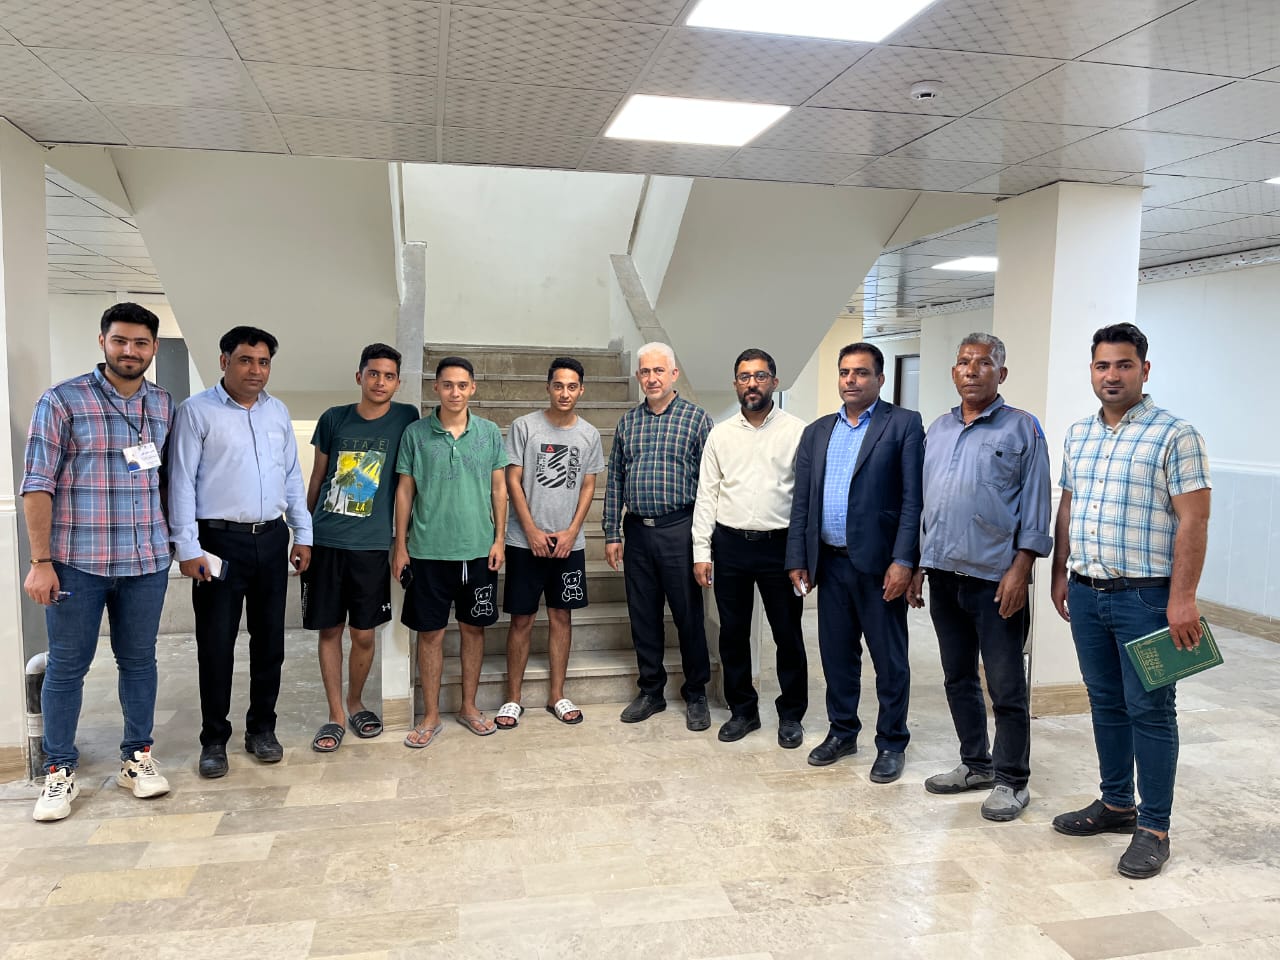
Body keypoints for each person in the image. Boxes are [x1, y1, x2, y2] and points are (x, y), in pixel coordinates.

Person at [1049, 322, 1210, 879]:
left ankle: (1154, 827)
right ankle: (1117, 804)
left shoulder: (1176, 435)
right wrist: (1060, 571)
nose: (1111, 375)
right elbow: (1069, 504)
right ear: (1091, 371)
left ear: (1145, 369)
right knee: (1105, 702)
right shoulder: (1079, 434)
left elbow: (1194, 520)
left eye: (1123, 365)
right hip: (1087, 593)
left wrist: (1182, 598)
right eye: (1102, 365)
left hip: (1148, 598)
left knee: (1151, 709)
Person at [22, 303, 175, 821]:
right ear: (103, 341)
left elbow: (164, 478)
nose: (130, 351)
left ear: (153, 348)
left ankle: (137, 758)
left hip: (145, 561)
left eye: (140, 343)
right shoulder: (62, 401)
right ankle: (58, 770)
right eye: (120, 341)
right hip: (77, 564)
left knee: (140, 661)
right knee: (68, 666)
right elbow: (37, 485)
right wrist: (40, 561)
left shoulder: (162, 403)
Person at [909, 333, 1051, 821]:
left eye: (984, 363)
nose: (972, 370)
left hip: (996, 581)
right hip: (944, 576)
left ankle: (1012, 779)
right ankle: (975, 764)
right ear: (954, 371)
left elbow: (1036, 507)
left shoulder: (1022, 429)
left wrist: (1020, 570)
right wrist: (919, 565)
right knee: (957, 677)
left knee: (1006, 686)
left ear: (1001, 373)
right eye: (964, 362)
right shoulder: (938, 429)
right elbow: (927, 504)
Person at [168, 326, 313, 779]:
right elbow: (180, 482)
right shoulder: (196, 412)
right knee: (216, 645)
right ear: (224, 361)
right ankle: (214, 739)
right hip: (218, 543)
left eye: (263, 362)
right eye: (246, 360)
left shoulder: (277, 412)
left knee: (270, 643)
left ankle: (262, 730)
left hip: (270, 538)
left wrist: (302, 533)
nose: (256, 370)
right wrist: (187, 547)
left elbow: (291, 477)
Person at [786, 342, 923, 782]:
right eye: (845, 372)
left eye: (861, 373)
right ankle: (842, 732)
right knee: (836, 656)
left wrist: (904, 560)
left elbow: (913, 501)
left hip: (881, 566)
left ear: (880, 379)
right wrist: (798, 558)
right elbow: (802, 502)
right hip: (830, 564)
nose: (851, 380)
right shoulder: (817, 431)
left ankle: (892, 742)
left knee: (889, 660)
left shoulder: (902, 425)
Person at [303, 344, 418, 752]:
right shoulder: (333, 418)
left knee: (364, 633)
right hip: (326, 540)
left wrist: (401, 542)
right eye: (373, 374)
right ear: (359, 377)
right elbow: (318, 478)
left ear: (397, 382)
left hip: (371, 547)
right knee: (330, 629)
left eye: (388, 376)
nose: (380, 382)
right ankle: (336, 713)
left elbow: (406, 482)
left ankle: (355, 702)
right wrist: (302, 533)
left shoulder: (406, 418)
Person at [692, 349, 808, 748]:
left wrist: (802, 555)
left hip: (781, 548)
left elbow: (805, 499)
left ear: (774, 381)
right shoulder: (720, 435)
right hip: (731, 547)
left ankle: (791, 715)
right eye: (744, 377)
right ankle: (743, 710)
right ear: (735, 384)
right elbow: (706, 496)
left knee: (787, 635)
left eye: (760, 376)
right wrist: (701, 552)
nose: (752, 384)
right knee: (733, 634)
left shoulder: (797, 431)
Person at [392, 356, 509, 747]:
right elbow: (405, 491)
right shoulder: (415, 434)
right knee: (430, 634)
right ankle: (429, 716)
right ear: (436, 387)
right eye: (447, 385)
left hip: (477, 551)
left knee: (474, 631)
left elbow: (499, 489)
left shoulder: (489, 433)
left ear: (472, 387)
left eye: (462, 385)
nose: (454, 392)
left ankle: (469, 707)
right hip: (427, 551)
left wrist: (498, 540)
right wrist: (401, 545)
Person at [604, 342, 713, 730]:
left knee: (688, 616)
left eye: (658, 371)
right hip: (637, 532)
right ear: (638, 376)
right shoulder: (628, 423)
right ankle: (651, 691)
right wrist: (611, 532)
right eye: (645, 372)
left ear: (673, 374)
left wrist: (705, 542)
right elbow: (615, 479)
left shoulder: (697, 420)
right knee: (643, 615)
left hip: (679, 530)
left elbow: (710, 484)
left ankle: (696, 693)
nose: (652, 378)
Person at [496, 357, 605, 729]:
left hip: (567, 544)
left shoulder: (589, 435)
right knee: (522, 619)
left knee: (562, 616)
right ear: (548, 387)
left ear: (581, 390)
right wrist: (530, 530)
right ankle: (513, 698)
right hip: (524, 542)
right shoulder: (525, 427)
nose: (564, 393)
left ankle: (557, 694)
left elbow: (588, 485)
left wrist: (573, 531)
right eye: (558, 385)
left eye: (572, 386)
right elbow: (512, 480)